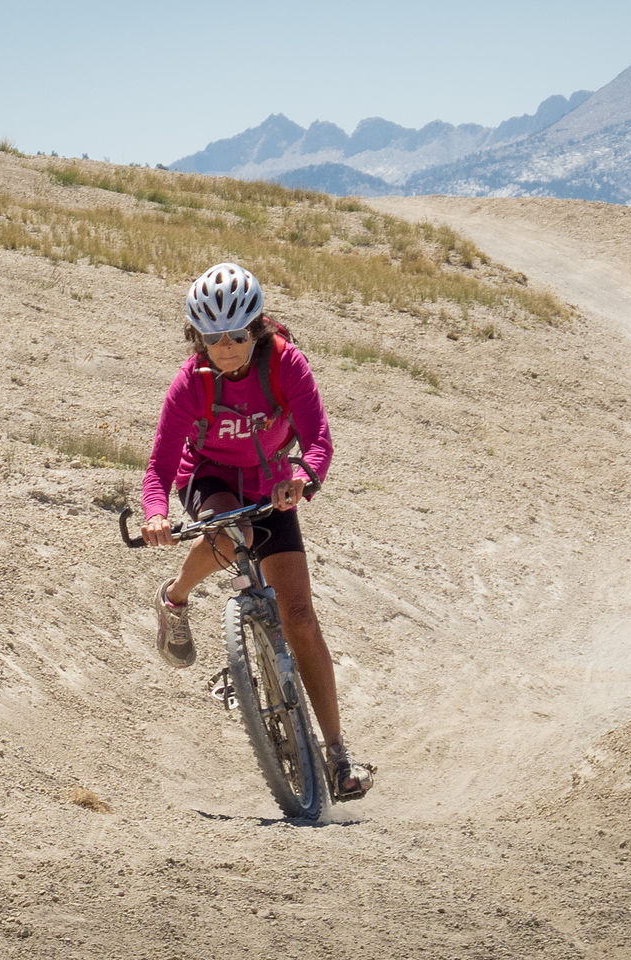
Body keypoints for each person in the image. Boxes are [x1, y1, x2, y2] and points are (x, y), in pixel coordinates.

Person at [139, 262, 374, 801]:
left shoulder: (285, 364)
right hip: (211, 477)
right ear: (196, 336)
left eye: (238, 336)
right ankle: (175, 599)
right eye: (212, 338)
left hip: (273, 483)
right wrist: (155, 512)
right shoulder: (188, 384)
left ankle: (338, 756)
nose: (225, 348)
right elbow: (159, 466)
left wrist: (302, 478)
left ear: (258, 329)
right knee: (234, 533)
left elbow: (318, 440)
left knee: (300, 616)